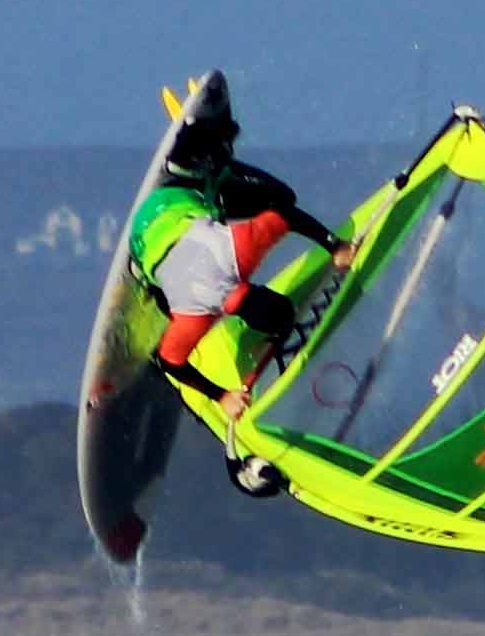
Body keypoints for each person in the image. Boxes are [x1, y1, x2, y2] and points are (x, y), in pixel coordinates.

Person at [125, 74, 335, 447]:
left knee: (275, 198)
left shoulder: (233, 260)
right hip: (164, 221)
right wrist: (221, 394)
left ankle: (201, 144)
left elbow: (283, 215)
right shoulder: (197, 313)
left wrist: (335, 247)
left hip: (177, 214)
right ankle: (197, 146)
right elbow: (168, 360)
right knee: (271, 197)